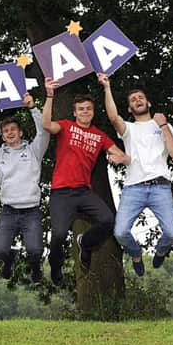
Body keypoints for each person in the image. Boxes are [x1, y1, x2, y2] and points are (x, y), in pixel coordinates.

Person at [42, 78, 130, 286]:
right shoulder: (65, 126)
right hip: (61, 192)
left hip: (83, 192)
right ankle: (55, 265)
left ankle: (86, 243)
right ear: (74, 112)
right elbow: (46, 124)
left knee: (109, 220)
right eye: (81, 109)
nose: (85, 112)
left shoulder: (99, 136)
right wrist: (49, 95)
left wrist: (121, 158)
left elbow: (122, 155)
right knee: (60, 234)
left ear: (93, 111)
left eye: (88, 109)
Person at [99, 73, 173, 277]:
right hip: (133, 187)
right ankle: (136, 254)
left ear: (148, 102)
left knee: (171, 233)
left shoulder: (164, 126)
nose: (137, 100)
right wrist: (107, 87)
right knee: (120, 232)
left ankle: (161, 251)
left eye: (140, 97)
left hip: (160, 187)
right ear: (129, 108)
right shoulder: (129, 129)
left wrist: (162, 126)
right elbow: (112, 117)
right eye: (133, 100)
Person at [0, 93, 50, 283]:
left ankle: (35, 268)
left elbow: (43, 132)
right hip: (8, 211)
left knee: (35, 250)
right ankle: (8, 262)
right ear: (2, 136)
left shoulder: (34, 151)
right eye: (5, 131)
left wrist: (33, 108)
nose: (9, 133)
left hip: (31, 210)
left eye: (13, 129)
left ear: (20, 132)